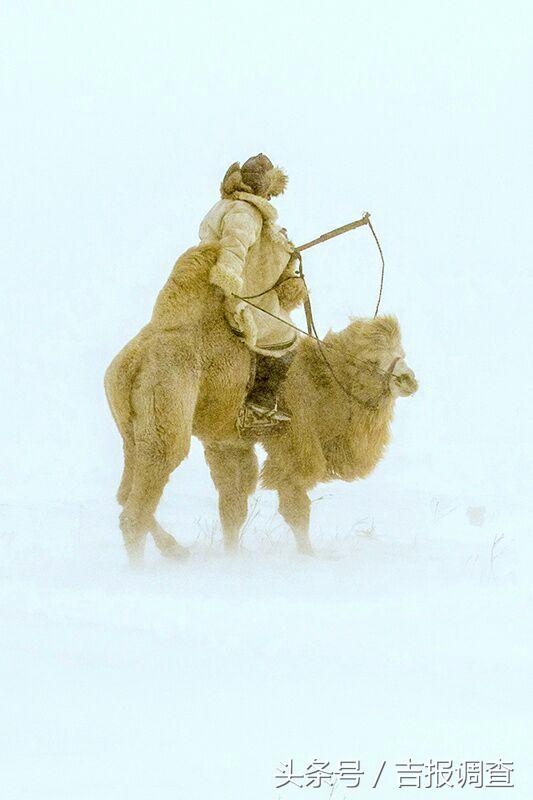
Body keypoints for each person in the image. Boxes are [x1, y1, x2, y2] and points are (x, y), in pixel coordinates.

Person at [198, 153, 307, 426]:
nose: (270, 198)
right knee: (288, 339)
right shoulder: (245, 213)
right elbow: (233, 248)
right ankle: (258, 405)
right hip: (239, 298)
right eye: (269, 192)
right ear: (262, 188)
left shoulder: (231, 206)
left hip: (238, 293)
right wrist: (227, 281)